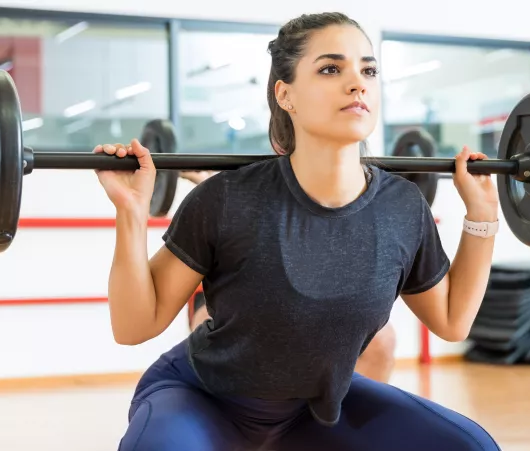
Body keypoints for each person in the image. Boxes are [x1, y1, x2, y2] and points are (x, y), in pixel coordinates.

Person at [95, 12, 501, 451]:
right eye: (331, 69)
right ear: (285, 94)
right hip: (204, 400)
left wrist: (483, 215)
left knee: (470, 447)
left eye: (368, 69)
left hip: (313, 413)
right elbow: (133, 326)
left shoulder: (402, 206)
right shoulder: (228, 198)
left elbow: (452, 320)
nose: (357, 83)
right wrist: (132, 212)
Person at [180, 170, 398, 383]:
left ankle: (354, 415)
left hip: (301, 296)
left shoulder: (328, 192)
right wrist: (205, 184)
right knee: (210, 338)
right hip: (225, 294)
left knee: (381, 341)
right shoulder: (234, 192)